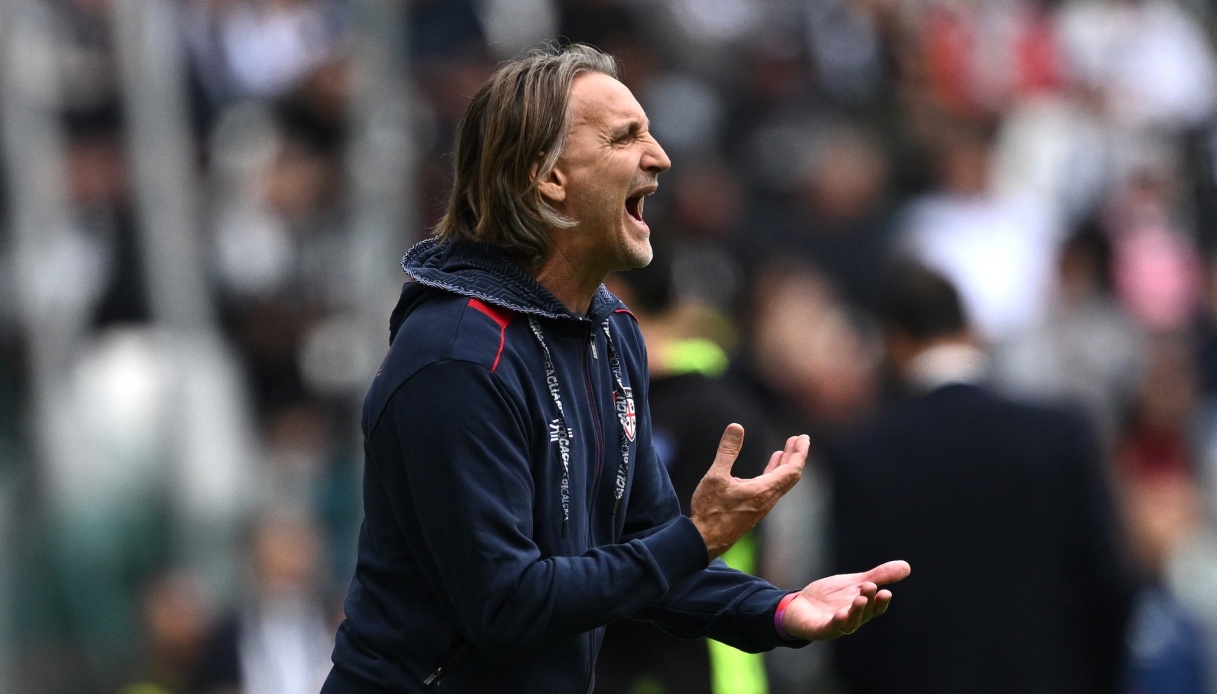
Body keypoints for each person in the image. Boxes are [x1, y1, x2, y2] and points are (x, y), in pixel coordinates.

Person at [321, 42, 909, 693]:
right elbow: (507, 607)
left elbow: (643, 550)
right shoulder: (457, 356)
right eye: (625, 137)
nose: (659, 157)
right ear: (549, 178)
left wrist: (776, 609)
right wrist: (694, 539)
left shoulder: (610, 332)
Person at [829, 260, 1135, 694]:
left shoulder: (864, 457)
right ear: (971, 330)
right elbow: (1109, 587)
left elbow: (853, 619)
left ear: (894, 343)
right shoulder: (1061, 435)